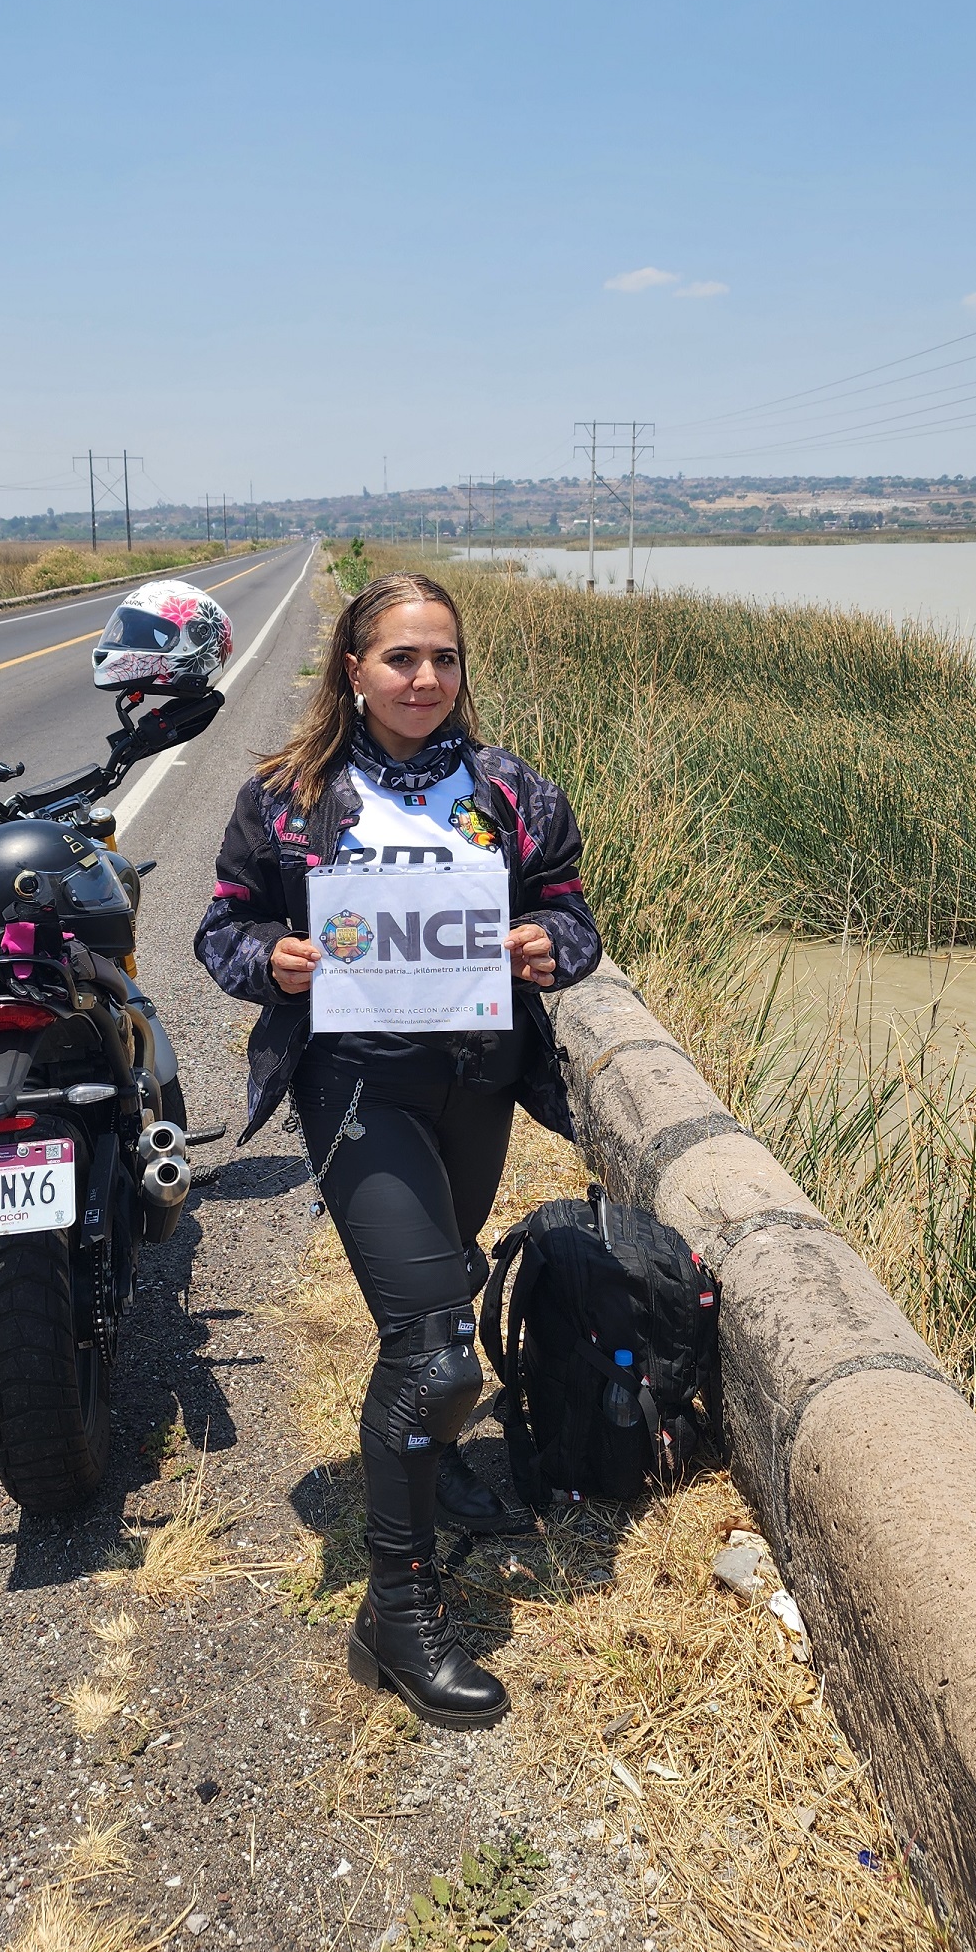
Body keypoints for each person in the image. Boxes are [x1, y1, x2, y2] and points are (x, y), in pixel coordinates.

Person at [194, 571, 601, 1729]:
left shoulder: (513, 790)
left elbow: (575, 914)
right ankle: (399, 1614)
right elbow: (222, 924)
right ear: (353, 671)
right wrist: (269, 959)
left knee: (445, 1281)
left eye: (445, 660)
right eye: (401, 659)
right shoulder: (286, 798)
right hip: (356, 1083)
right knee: (431, 1342)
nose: (426, 680)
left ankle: (434, 1459)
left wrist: (543, 945)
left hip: (477, 1080)